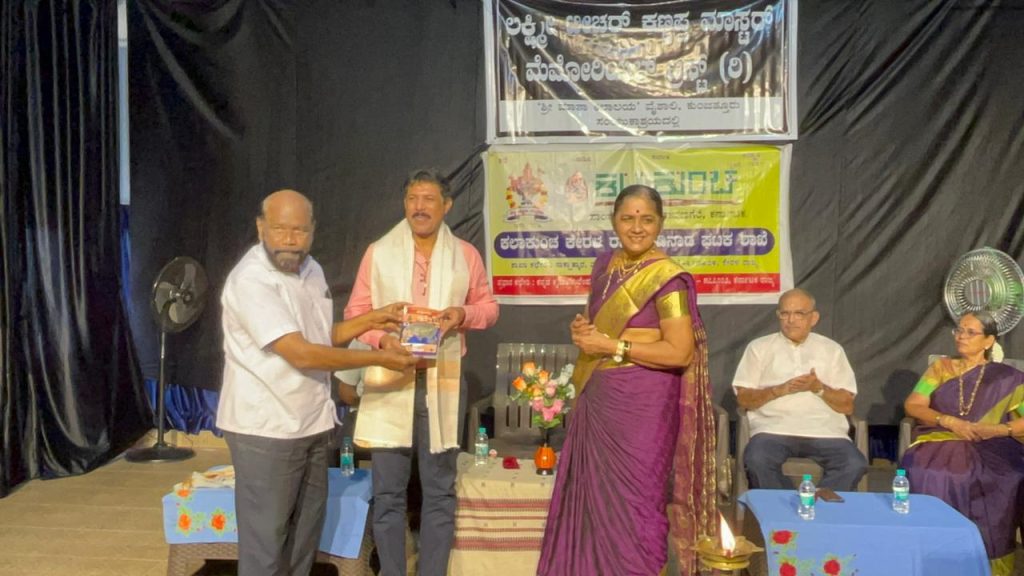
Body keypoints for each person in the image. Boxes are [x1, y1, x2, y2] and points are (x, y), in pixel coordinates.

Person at [217, 189, 417, 576]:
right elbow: (302, 353)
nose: (290, 240)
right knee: (266, 546)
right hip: (267, 429)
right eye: (280, 229)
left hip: (311, 423)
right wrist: (379, 357)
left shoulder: (311, 270)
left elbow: (319, 336)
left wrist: (372, 319)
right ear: (260, 228)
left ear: (312, 231)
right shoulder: (251, 280)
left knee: (303, 540)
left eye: (299, 230)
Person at [537, 184, 716, 576]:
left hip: (645, 405)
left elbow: (680, 352)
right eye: (628, 218)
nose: (637, 227)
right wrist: (585, 331)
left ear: (661, 224)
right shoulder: (604, 265)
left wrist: (611, 345)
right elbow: (600, 324)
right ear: (614, 221)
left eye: (647, 219)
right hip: (601, 399)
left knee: (638, 503)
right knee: (592, 503)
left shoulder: (668, 280)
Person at [344, 168, 499, 576]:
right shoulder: (379, 252)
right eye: (413, 198)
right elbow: (356, 314)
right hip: (389, 379)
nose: (419, 207)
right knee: (388, 492)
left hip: (442, 381)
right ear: (404, 204)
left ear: (447, 206)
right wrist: (382, 340)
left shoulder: (465, 255)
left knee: (439, 490)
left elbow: (489, 308)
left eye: (429, 199)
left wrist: (461, 314)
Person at [902, 311, 1024, 576]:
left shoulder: (1008, 378)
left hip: (993, 444)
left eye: (970, 332)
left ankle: (986, 562)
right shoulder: (941, 368)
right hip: (940, 439)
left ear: (989, 341)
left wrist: (997, 429)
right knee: (927, 470)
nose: (961, 337)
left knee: (1004, 476)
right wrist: (947, 420)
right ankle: (932, 557)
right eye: (959, 330)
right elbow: (914, 404)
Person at [733, 288, 867, 492]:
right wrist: (778, 390)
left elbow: (847, 406)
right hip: (773, 430)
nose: (791, 320)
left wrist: (818, 388)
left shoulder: (832, 350)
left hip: (825, 431)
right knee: (757, 460)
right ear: (778, 315)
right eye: (785, 313)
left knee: (854, 464)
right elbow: (743, 399)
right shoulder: (759, 348)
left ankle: (817, 507)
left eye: (799, 314)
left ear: (814, 318)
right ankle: (784, 507)